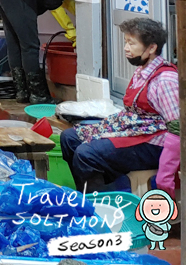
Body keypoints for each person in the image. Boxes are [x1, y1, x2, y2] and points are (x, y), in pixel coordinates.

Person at [60, 17, 178, 194]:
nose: (126, 48)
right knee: (69, 137)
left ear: (152, 48)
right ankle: (92, 193)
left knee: (87, 154)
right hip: (138, 130)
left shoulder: (166, 80)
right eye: (125, 42)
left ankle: (103, 208)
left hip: (156, 144)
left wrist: (166, 176)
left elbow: (178, 130)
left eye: (131, 43)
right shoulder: (143, 70)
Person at [0, 0, 74, 104]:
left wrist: (78, 15)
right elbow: (52, 1)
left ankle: (22, 92)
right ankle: (38, 95)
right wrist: (70, 29)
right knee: (29, 46)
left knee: (16, 45)